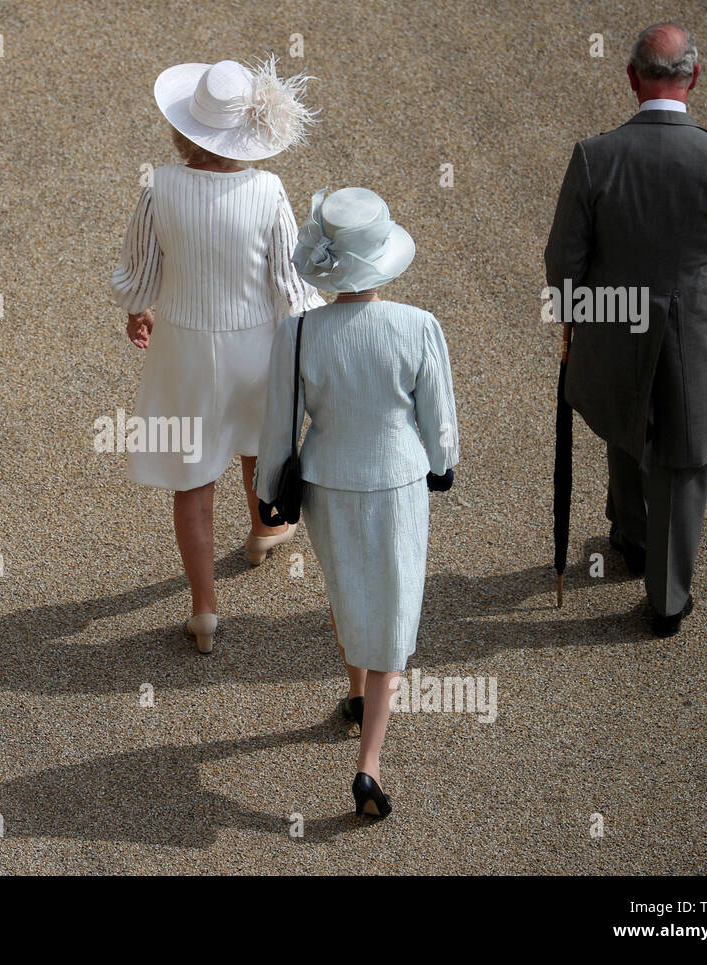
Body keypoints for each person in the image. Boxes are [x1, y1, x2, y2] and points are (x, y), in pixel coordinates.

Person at [545, 23, 707, 637]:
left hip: (615, 324)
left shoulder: (594, 155)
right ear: (693, 77)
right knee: (682, 458)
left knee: (624, 422)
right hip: (693, 333)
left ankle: (632, 538)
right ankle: (665, 600)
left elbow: (564, 259)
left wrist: (576, 314)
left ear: (632, 78)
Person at [257, 187, 459, 819]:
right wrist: (442, 466)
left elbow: (277, 425)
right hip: (397, 480)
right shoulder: (417, 325)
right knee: (393, 614)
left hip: (325, 483)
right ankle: (368, 766)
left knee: (349, 593)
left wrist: (268, 493)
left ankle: (354, 694)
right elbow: (439, 420)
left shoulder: (297, 333)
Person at [110, 58, 324, 653]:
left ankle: (204, 610)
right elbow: (290, 282)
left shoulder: (161, 186)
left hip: (182, 346)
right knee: (258, 446)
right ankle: (263, 530)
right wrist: (308, 336)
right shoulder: (267, 190)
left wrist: (139, 307)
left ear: (184, 130)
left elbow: (137, 271)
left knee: (192, 481)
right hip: (254, 343)